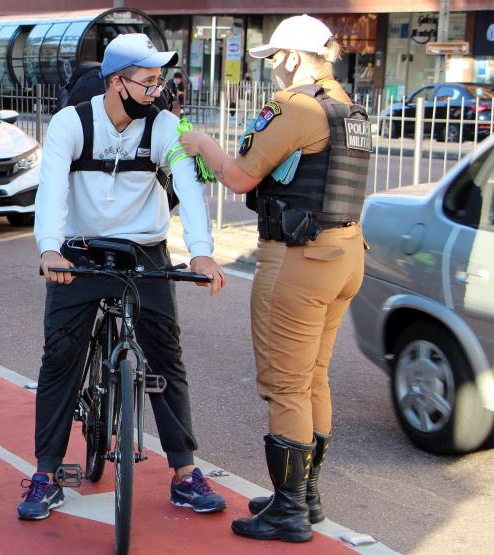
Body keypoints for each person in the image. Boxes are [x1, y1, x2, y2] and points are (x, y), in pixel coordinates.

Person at [18, 33, 228, 521]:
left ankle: (184, 473)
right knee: (60, 357)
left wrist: (200, 253)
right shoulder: (72, 123)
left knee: (166, 357)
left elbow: (189, 189)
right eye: (148, 81)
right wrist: (50, 249)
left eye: (161, 81)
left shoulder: (164, 126)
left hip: (144, 251)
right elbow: (51, 190)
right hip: (80, 251)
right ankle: (45, 473)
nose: (159, 90)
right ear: (116, 82)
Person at [180, 15, 370, 543]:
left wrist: (200, 143)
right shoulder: (348, 107)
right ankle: (304, 496)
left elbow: (240, 176)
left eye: (274, 61)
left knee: (286, 384)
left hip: (299, 259)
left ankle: (288, 511)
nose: (273, 73)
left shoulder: (296, 106)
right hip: (345, 255)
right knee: (314, 377)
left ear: (289, 57)